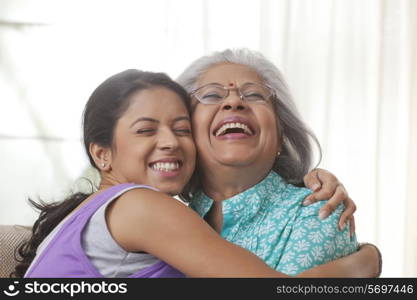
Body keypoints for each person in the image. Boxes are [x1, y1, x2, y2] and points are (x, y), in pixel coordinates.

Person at [13, 69, 379, 278]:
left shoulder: (98, 211)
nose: (170, 142)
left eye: (182, 128)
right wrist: (366, 262)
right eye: (146, 130)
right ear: (102, 154)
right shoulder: (140, 207)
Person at [176, 48, 381, 275]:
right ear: (184, 132)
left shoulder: (316, 211)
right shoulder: (166, 222)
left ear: (281, 136)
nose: (234, 101)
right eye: (212, 95)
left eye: (254, 95)